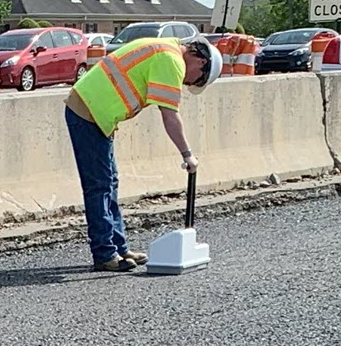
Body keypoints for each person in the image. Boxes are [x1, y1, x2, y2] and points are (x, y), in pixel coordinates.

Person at [64, 35, 223, 272]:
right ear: (200, 62)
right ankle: (105, 253)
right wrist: (187, 154)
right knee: (99, 186)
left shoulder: (165, 49)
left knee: (110, 182)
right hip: (88, 113)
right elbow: (170, 115)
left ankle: (118, 246)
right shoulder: (171, 60)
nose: (188, 84)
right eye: (195, 81)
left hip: (95, 113)